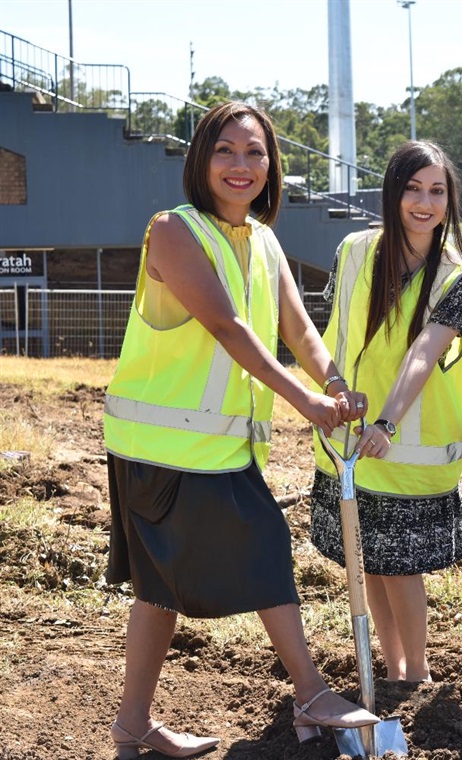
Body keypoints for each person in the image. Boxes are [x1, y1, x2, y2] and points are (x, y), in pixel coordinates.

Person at [103, 101, 380, 758]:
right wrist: (308, 403)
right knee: (265, 550)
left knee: (159, 592)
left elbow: (298, 328)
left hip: (216, 448)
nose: (241, 165)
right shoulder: (173, 231)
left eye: (255, 152)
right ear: (201, 159)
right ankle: (310, 690)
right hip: (163, 448)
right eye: (226, 150)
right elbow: (231, 330)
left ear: (270, 164)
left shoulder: (263, 240)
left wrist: (335, 382)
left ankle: (132, 725)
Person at [309, 140, 462, 684]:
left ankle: (417, 674)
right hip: (348, 439)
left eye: (437, 191)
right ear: (393, 193)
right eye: (413, 188)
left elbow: (423, 354)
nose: (425, 203)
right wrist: (331, 391)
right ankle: (391, 669)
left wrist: (387, 421)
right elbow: (329, 326)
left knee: (401, 571)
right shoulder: (353, 251)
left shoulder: (459, 279)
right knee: (370, 567)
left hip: (405, 449)